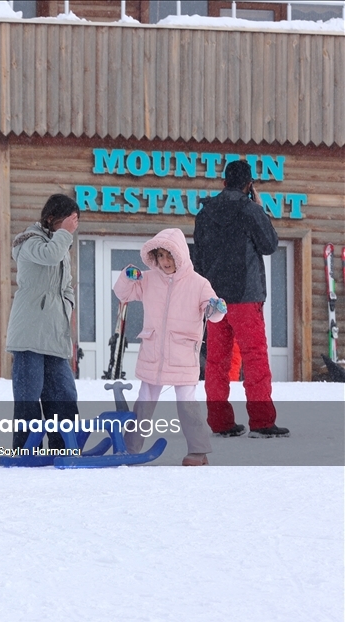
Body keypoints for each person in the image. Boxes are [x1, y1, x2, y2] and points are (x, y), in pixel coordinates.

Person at [114, 229, 228, 466]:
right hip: (153, 352)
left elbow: (213, 313)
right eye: (161, 256)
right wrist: (127, 276)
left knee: (186, 402)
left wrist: (216, 307)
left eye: (169, 256)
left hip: (183, 354)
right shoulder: (148, 279)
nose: (165, 262)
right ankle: (130, 448)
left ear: (181, 256)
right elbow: (122, 294)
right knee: (144, 400)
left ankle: (198, 451)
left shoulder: (199, 283)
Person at [194, 160, 288, 438]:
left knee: (216, 362)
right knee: (255, 358)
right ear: (249, 185)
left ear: (223, 182)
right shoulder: (250, 210)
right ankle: (261, 422)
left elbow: (198, 258)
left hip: (215, 300)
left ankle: (220, 422)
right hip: (246, 297)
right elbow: (269, 245)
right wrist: (259, 208)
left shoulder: (205, 213)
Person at [5, 193, 80, 452]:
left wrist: (66, 306)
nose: (72, 227)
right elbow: (49, 255)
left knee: (64, 396)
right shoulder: (30, 242)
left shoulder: (60, 244)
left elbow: (66, 286)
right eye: (68, 221)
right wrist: (65, 234)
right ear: (51, 218)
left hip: (55, 336)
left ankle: (63, 447)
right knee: (28, 398)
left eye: (75, 222)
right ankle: (25, 450)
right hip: (29, 334)